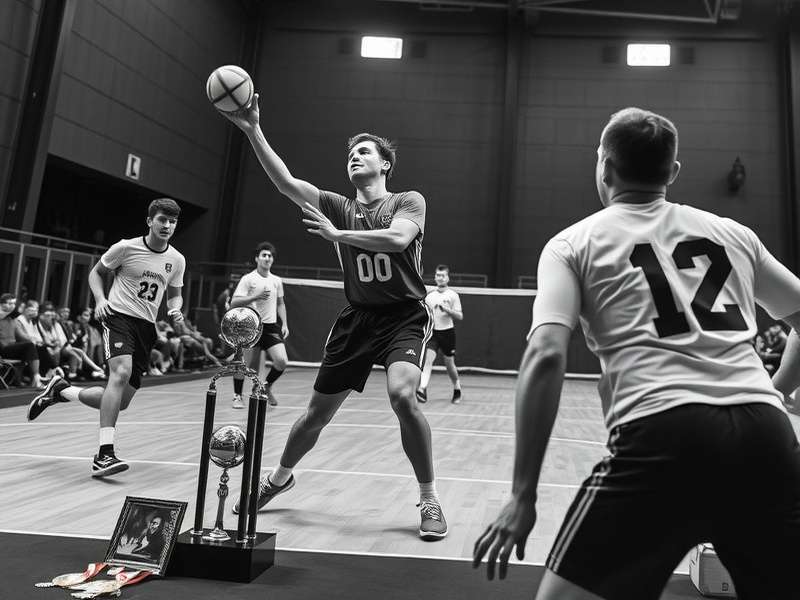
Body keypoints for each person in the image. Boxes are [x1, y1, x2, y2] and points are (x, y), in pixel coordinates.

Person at [472, 107, 800, 599]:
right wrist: (774, 393)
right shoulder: (734, 235)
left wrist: (523, 495)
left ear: (603, 167)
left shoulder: (572, 244)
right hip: (766, 439)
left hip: (663, 440)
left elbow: (544, 355)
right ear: (674, 172)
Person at [218, 95, 446, 540]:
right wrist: (252, 129)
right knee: (314, 417)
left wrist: (339, 235)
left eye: (364, 152)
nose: (354, 158)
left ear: (385, 165)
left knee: (403, 395)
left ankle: (430, 497)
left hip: (403, 316)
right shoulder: (339, 205)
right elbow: (285, 183)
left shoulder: (407, 201)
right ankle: (279, 479)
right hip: (357, 320)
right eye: (349, 155)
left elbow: (399, 240)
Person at [27, 198, 186, 478]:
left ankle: (62, 391)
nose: (167, 225)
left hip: (146, 327)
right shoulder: (125, 247)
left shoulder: (177, 260)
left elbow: (174, 293)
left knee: (121, 400)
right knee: (119, 374)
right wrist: (100, 300)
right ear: (150, 221)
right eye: (162, 219)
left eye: (172, 221)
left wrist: (175, 309)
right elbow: (96, 274)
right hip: (118, 316)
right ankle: (104, 454)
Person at [229, 242, 289, 408]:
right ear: (257, 258)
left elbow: (281, 304)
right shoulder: (248, 279)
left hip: (270, 327)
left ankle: (265, 386)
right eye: (264, 255)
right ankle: (237, 396)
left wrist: (284, 324)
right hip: (251, 327)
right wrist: (254, 296)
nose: (267, 258)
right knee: (242, 364)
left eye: (270, 256)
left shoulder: (277, 280)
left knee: (282, 361)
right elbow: (234, 302)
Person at [417, 264, 463, 404]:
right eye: (438, 275)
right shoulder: (430, 296)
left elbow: (460, 316)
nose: (440, 278)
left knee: (449, 365)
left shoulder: (453, 295)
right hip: (433, 333)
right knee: (428, 360)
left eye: (443, 275)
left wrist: (448, 310)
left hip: (447, 333)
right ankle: (422, 389)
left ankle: (457, 388)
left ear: (447, 277)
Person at [0, 293, 43, 388]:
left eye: (14, 304)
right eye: (9, 303)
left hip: (11, 348)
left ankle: (35, 378)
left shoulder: (13, 319)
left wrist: (34, 340)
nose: (12, 306)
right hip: (2, 349)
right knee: (29, 346)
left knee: (33, 346)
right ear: (2, 304)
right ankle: (36, 378)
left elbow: (22, 336)